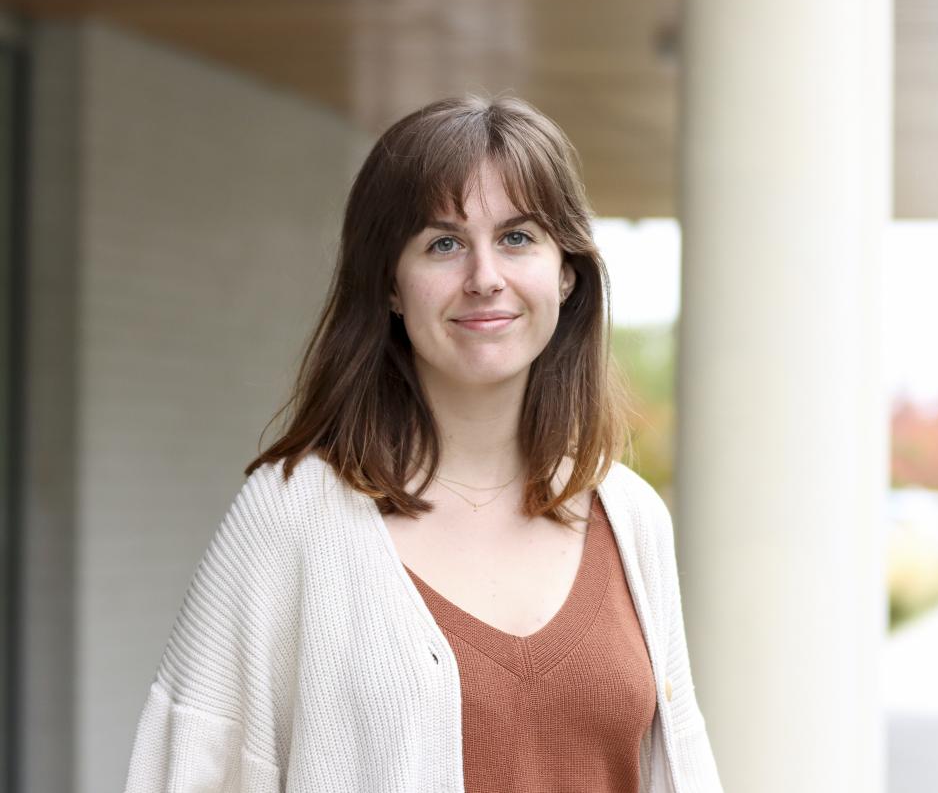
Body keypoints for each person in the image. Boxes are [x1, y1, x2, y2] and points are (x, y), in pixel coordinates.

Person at [123, 93, 723, 792]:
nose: (485, 277)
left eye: (518, 237)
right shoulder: (292, 517)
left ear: (566, 272)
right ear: (390, 287)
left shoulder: (630, 516)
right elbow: (193, 772)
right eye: (443, 244)